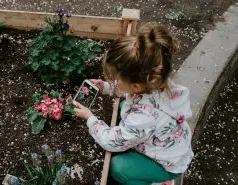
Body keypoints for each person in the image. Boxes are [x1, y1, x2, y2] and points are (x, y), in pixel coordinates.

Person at [73, 23, 193, 185]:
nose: (114, 81)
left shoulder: (143, 117)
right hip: (170, 145)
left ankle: (158, 181)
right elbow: (129, 92)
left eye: (117, 79)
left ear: (136, 85)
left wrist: (90, 119)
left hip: (166, 164)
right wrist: (107, 88)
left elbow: (112, 142)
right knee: (124, 106)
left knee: (118, 168)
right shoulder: (155, 82)